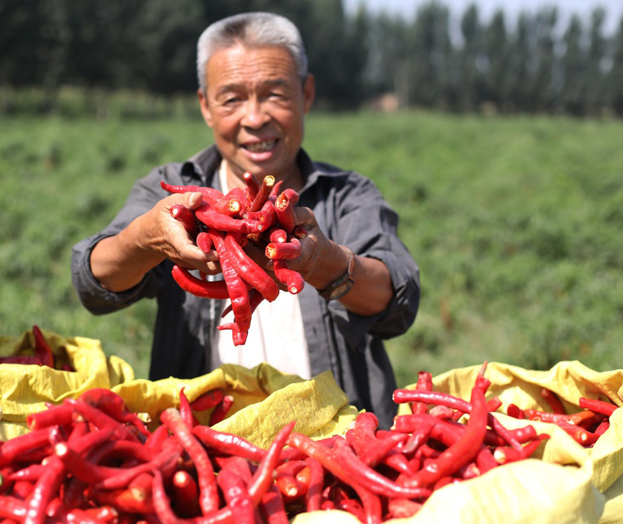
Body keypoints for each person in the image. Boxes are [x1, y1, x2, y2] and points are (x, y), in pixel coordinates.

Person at [71, 11, 420, 428]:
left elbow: (398, 300)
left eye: (275, 94)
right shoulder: (173, 189)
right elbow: (92, 282)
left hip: (336, 439)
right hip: (206, 436)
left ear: (306, 95)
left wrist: (323, 262)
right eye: (232, 98)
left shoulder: (346, 195)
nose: (254, 119)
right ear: (205, 105)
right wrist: (145, 240)